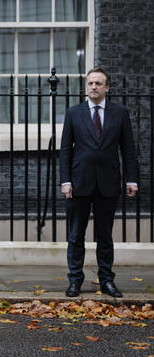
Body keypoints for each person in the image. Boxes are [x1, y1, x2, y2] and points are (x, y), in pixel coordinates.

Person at [59, 67, 138, 298]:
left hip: (108, 183)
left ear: (107, 88)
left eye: (98, 83)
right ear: (86, 87)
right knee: (76, 235)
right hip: (79, 182)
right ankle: (75, 281)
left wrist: (131, 179)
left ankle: (106, 281)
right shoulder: (74, 113)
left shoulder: (119, 113)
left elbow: (128, 148)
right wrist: (65, 180)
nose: (93, 87)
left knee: (105, 235)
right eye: (90, 83)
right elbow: (65, 150)